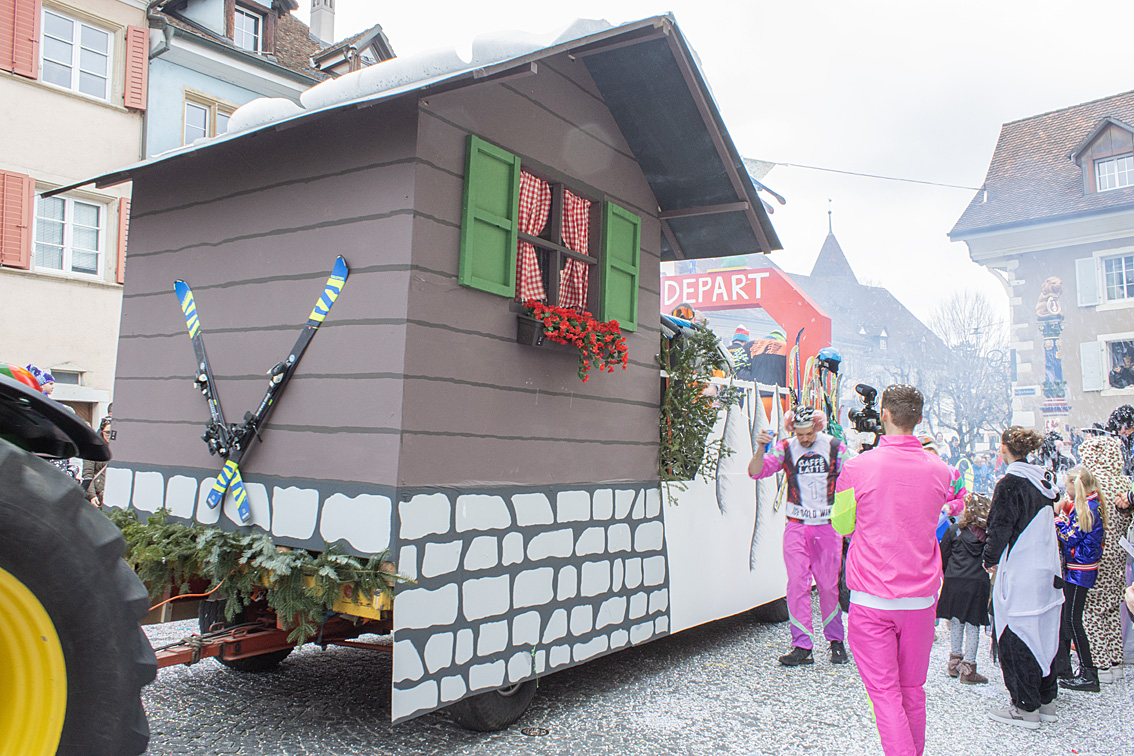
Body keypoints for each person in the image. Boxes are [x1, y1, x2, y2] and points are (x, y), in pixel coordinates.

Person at [830, 385, 959, 756]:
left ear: (883, 415)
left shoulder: (857, 468)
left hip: (872, 599)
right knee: (912, 692)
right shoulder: (942, 471)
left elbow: (842, 525)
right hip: (919, 602)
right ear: (919, 419)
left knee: (885, 696)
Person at [750, 405, 849, 666]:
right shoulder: (785, 447)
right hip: (796, 524)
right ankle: (802, 646)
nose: (804, 439)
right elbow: (755, 472)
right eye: (799, 433)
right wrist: (760, 448)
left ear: (817, 427)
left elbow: (854, 477)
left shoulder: (835, 446)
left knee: (828, 587)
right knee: (796, 585)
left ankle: (836, 641)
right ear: (792, 429)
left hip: (827, 526)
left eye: (809, 433)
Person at [984, 426, 1063, 729]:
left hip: (1020, 570)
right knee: (1044, 632)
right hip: (1047, 570)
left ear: (1004, 448)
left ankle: (1025, 705)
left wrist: (989, 560)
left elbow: (999, 527)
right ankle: (1046, 698)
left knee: (1015, 635)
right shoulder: (1042, 481)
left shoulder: (1010, 484)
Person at [1078, 433, 1133, 683]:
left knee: (1092, 609)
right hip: (1119, 554)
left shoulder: (1090, 482)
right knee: (1112, 607)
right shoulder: (1125, 483)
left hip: (1095, 553)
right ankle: (1115, 662)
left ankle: (1099, 664)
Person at [1055, 466, 1106, 693]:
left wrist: (1057, 519)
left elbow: (1070, 537)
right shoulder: (1093, 503)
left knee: (1073, 621)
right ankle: (1085, 671)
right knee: (1072, 619)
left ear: (1076, 486)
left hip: (1079, 569)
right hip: (1083, 567)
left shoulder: (1086, 508)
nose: (1065, 490)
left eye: (1067, 486)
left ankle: (1088, 673)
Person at [938, 493, 992, 685]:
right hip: (977, 583)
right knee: (973, 624)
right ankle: (969, 668)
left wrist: (949, 573)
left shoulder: (954, 530)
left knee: (956, 621)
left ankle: (954, 663)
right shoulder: (988, 535)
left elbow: (943, 556)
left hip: (954, 581)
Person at [83, 417, 113, 509]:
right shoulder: (94, 449)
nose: (109, 436)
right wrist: (92, 496)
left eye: (112, 433)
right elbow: (88, 475)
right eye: (107, 432)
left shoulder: (121, 450)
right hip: (98, 495)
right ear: (102, 432)